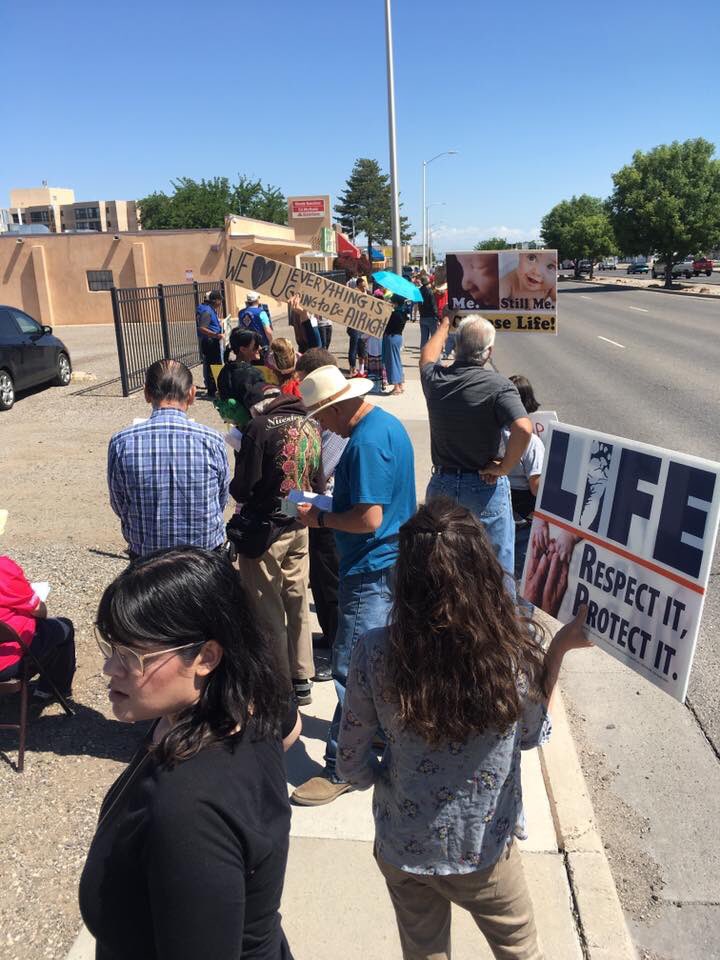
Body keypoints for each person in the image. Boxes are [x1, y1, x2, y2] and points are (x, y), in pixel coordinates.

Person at [337, 499, 592, 960]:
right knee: (520, 950)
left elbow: (350, 760)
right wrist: (557, 649)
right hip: (483, 851)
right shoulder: (512, 652)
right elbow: (532, 734)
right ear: (484, 571)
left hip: (403, 845)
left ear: (406, 578)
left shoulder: (374, 653)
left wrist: (379, 780)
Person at [79, 547, 300, 960]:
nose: (110, 669)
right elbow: (291, 731)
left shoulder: (188, 812)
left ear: (206, 657)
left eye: (133, 656)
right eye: (111, 648)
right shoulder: (252, 701)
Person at [291, 364, 416, 805]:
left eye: (323, 415)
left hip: (371, 567)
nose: (323, 424)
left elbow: (369, 519)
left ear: (340, 405)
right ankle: (376, 735)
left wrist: (319, 517)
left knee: (351, 667)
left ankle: (341, 767)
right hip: (389, 560)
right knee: (379, 660)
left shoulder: (363, 444)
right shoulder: (385, 425)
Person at [420, 312, 532, 579]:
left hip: (443, 485)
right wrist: (504, 468)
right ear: (488, 352)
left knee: (443, 569)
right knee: (496, 568)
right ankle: (499, 619)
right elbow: (523, 428)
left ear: (457, 348)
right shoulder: (498, 386)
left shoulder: (436, 380)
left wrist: (445, 325)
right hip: (484, 487)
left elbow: (427, 357)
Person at [230, 382, 322, 705]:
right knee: (297, 602)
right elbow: (319, 480)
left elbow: (242, 489)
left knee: (267, 606)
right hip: (300, 523)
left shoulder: (258, 428)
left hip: (266, 531)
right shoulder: (310, 422)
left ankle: (278, 683)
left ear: (258, 406)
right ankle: (301, 677)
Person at [108, 360, 230, 559]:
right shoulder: (212, 440)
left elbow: (119, 502)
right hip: (204, 559)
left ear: (147, 393)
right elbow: (221, 498)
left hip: (148, 559)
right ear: (191, 394)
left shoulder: (122, 442)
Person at [295, 350, 349, 681]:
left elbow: (322, 471)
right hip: (324, 509)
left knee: (329, 583)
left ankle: (335, 647)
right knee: (323, 579)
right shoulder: (328, 419)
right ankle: (332, 637)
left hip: (329, 513)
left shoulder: (334, 424)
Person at [0, 510, 76, 709]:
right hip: (5, 664)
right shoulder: (4, 569)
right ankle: (51, 689)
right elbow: (38, 610)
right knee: (63, 627)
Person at [506, 376, 545, 581]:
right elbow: (535, 486)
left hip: (502, 508)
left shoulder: (495, 434)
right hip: (524, 515)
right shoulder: (532, 443)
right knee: (520, 578)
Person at [195, 289, 224, 398]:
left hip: (209, 340)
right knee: (214, 365)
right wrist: (216, 335)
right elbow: (202, 328)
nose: (220, 303)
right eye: (219, 300)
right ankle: (212, 390)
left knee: (210, 365)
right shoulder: (207, 311)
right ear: (215, 300)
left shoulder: (206, 309)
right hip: (210, 341)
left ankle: (212, 387)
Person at [382, 295, 410, 395]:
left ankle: (396, 387)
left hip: (391, 337)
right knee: (397, 360)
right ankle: (400, 384)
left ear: (396, 303)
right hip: (398, 337)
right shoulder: (403, 313)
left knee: (392, 362)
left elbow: (386, 325)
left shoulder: (394, 314)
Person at [347, 276, 370, 376]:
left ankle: (361, 368)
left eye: (365, 285)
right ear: (359, 285)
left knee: (361, 346)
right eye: (363, 285)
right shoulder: (355, 293)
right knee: (354, 347)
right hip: (354, 325)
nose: (365, 287)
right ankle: (352, 368)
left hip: (361, 325)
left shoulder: (365, 293)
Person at [418, 274, 439, 348]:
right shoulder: (430, 292)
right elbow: (433, 306)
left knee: (424, 338)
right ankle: (433, 353)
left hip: (422, 316)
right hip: (431, 317)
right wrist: (438, 316)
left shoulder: (419, 291)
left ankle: (423, 353)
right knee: (434, 337)